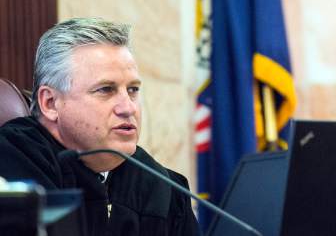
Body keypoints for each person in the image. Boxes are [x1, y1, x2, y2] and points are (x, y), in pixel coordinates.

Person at [0, 18, 200, 235]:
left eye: (132, 90)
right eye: (105, 89)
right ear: (50, 103)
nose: (128, 108)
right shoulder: (11, 166)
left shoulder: (161, 186)